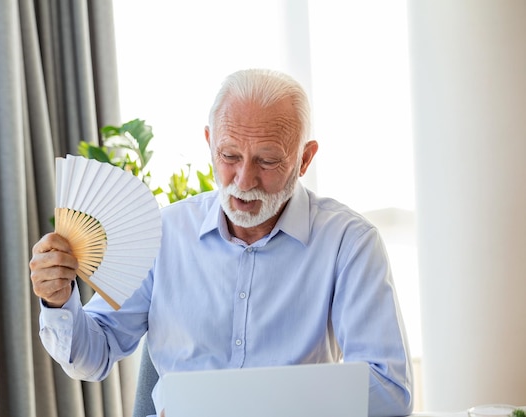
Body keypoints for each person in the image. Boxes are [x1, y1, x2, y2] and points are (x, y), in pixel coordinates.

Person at [30, 68, 414, 417]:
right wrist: (58, 301)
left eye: (267, 161)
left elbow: (390, 392)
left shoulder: (349, 243)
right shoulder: (164, 233)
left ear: (304, 159)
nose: (244, 180)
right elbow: (91, 356)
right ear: (210, 142)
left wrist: (260, 405)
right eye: (230, 155)